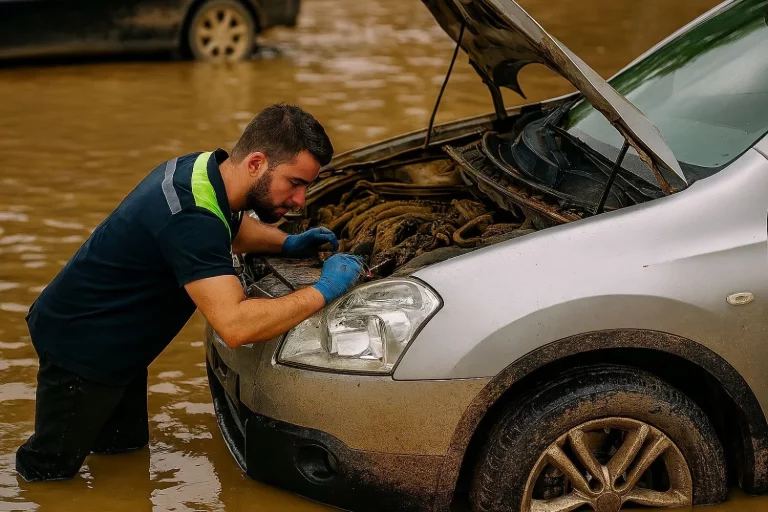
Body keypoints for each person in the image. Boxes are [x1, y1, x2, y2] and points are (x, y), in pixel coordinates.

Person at [16, 103, 363, 482]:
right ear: (256, 163)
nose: (300, 201)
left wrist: (287, 243)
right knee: (47, 474)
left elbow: (230, 227)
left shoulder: (206, 173)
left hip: (119, 347)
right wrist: (325, 289)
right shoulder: (190, 216)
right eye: (295, 183)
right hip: (81, 348)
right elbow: (234, 326)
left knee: (123, 456)